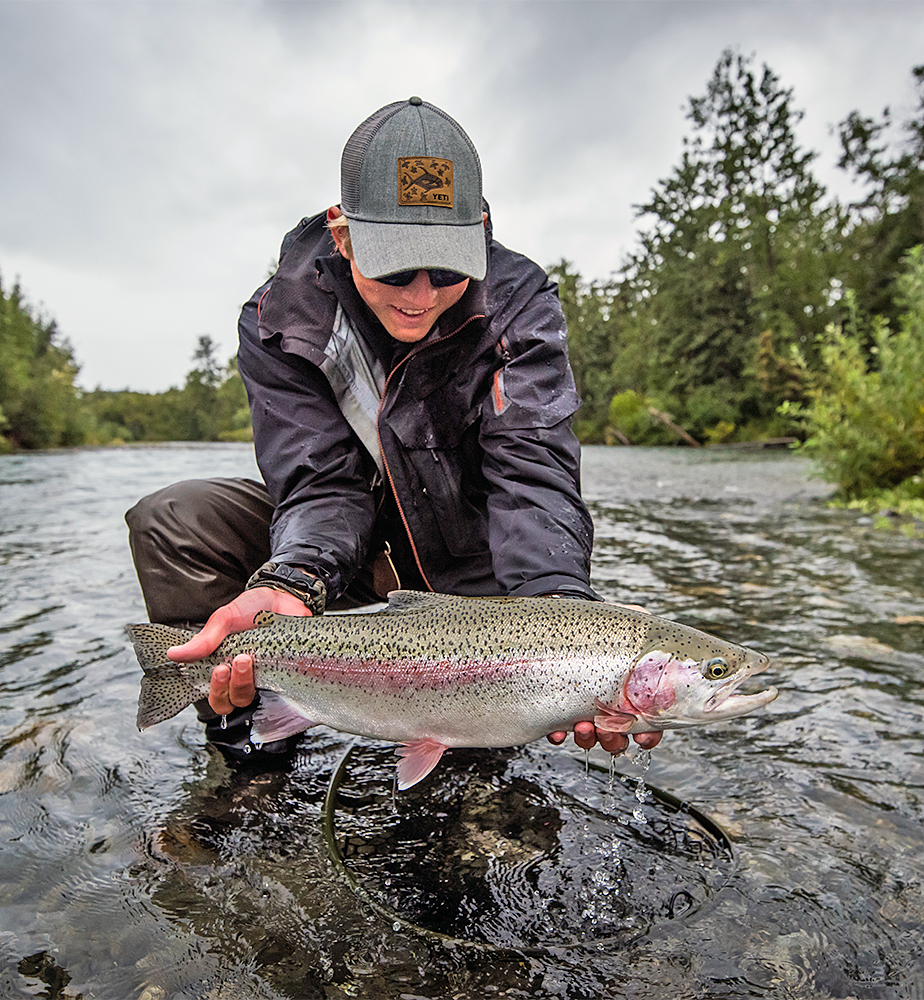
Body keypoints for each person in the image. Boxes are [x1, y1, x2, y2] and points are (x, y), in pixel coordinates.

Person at [126, 97, 662, 764]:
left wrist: (558, 622)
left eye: (446, 270)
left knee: (474, 781)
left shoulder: (518, 306)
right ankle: (249, 747)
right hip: (343, 561)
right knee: (176, 519)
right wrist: (290, 582)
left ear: (481, 231)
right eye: (393, 268)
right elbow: (319, 483)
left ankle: (464, 743)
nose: (419, 294)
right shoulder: (282, 317)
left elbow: (534, 477)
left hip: (470, 586)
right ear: (343, 233)